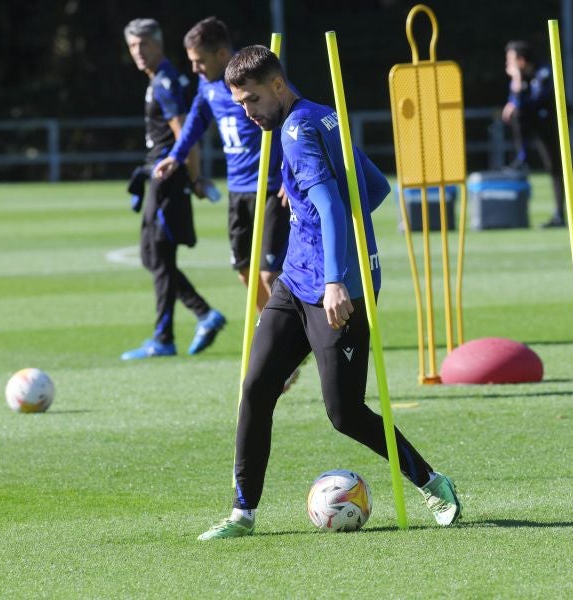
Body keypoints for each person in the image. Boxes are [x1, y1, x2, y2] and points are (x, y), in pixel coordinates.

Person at [196, 45, 462, 541]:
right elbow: (376, 187)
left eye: (252, 100)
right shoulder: (322, 116)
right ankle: (242, 514)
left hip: (336, 290)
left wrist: (338, 278)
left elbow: (336, 209)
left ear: (278, 86)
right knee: (255, 389)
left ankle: (431, 482)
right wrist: (301, 195)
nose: (247, 113)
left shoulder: (296, 134)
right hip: (295, 283)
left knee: (345, 414)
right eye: (239, 105)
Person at [152, 17, 289, 313]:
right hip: (237, 190)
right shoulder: (207, 84)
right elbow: (196, 120)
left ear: (222, 55)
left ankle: (294, 336)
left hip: (271, 189)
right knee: (245, 273)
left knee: (270, 274)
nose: (194, 69)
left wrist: (292, 174)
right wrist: (176, 156)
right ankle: (274, 336)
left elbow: (292, 118)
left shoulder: (253, 78)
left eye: (199, 61)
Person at [121, 18, 226, 360]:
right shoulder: (159, 80)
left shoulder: (165, 81)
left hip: (168, 179)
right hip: (160, 178)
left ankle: (165, 335)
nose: (138, 52)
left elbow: (186, 136)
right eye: (133, 46)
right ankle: (202, 314)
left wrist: (195, 179)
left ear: (157, 44)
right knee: (152, 255)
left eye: (143, 45)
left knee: (159, 255)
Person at [501, 40, 566, 228]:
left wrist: (517, 84)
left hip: (549, 122)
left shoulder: (543, 72)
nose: (508, 64)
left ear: (521, 60)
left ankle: (559, 215)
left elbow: (535, 101)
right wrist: (515, 94)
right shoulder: (521, 76)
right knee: (517, 114)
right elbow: (516, 102)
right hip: (533, 120)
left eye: (511, 60)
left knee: (555, 169)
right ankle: (522, 158)